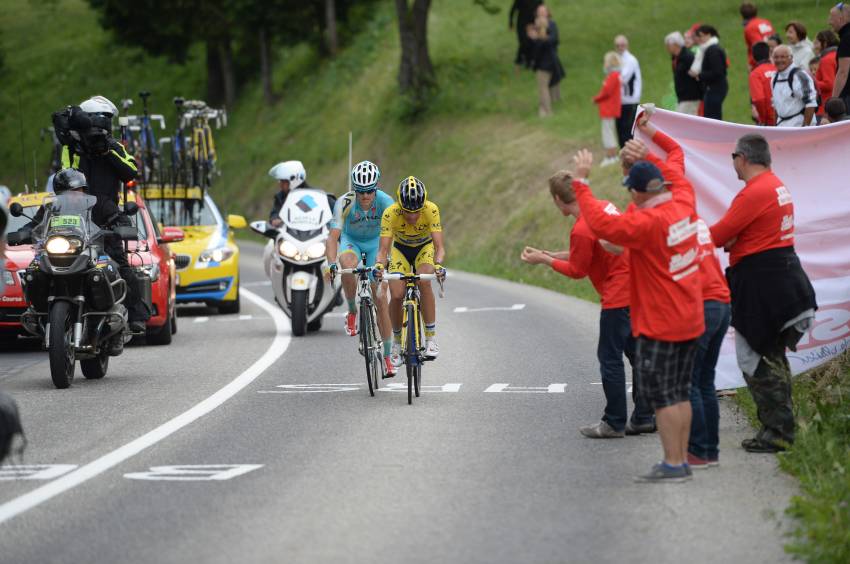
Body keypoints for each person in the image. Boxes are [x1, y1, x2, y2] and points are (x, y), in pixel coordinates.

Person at [570, 148, 704, 483]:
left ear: (638, 192)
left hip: (662, 321)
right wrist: (650, 157)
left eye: (631, 188)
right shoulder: (684, 202)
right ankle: (682, 458)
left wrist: (581, 182)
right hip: (691, 314)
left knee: (664, 396)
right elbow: (678, 177)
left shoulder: (646, 223)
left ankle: (673, 463)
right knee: (680, 391)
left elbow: (600, 223)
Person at [628, 116, 732, 469]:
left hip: (700, 303)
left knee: (685, 385)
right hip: (721, 301)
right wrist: (650, 135)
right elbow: (674, 152)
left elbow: (623, 237)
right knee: (704, 381)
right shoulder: (689, 212)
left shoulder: (667, 224)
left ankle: (691, 453)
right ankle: (707, 451)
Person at [519, 171, 655, 439]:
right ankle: (644, 416)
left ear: (558, 199)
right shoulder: (604, 207)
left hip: (618, 295)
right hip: (639, 287)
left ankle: (614, 421)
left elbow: (578, 270)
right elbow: (591, 252)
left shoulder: (581, 228)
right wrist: (550, 254)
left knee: (610, 358)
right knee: (637, 354)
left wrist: (544, 261)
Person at [709, 135, 817, 453]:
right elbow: (745, 233)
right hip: (780, 278)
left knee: (756, 356)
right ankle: (779, 429)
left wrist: (723, 238)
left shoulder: (754, 193)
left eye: (733, 158)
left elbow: (718, 235)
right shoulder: (775, 185)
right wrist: (737, 240)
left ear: (742, 157)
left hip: (763, 284)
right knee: (771, 355)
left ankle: (778, 431)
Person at [55, 96, 148, 332]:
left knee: (119, 265)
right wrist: (74, 144)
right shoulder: (73, 148)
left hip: (106, 220)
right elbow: (66, 173)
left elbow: (131, 172)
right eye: (102, 118)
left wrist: (106, 150)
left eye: (107, 120)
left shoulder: (115, 146)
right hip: (75, 218)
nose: (104, 124)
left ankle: (135, 314)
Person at [326, 161, 397, 376]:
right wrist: (331, 264)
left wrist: (385, 263)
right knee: (346, 265)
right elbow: (333, 238)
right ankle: (352, 311)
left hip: (377, 242)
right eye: (361, 191)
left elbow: (391, 238)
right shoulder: (344, 203)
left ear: (376, 187)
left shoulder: (386, 202)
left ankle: (387, 357)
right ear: (354, 189)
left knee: (381, 299)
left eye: (369, 191)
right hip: (351, 240)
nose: (365, 196)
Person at [375, 177, 445, 363]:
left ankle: (430, 339)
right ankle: (397, 344)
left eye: (416, 212)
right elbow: (383, 250)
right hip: (400, 250)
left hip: (424, 248)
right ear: (400, 206)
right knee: (397, 294)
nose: (412, 217)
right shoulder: (390, 213)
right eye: (407, 212)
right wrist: (379, 267)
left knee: (424, 280)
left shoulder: (431, 209)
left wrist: (438, 266)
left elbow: (439, 247)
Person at [527, 5, 564, 117]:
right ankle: (545, 109)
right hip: (540, 62)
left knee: (545, 87)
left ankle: (546, 111)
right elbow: (532, 46)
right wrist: (532, 38)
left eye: (544, 12)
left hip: (549, 61)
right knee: (544, 87)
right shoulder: (533, 27)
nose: (542, 14)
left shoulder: (552, 25)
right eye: (540, 12)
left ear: (548, 13)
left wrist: (540, 37)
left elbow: (553, 40)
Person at [771, 45, 817, 127]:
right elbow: (776, 106)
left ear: (791, 58)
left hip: (799, 126)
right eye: (776, 57)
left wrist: (805, 127)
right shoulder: (774, 78)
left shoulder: (799, 75)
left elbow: (811, 103)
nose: (779, 60)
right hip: (782, 126)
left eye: (783, 57)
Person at [691, 25, 728, 120]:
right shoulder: (710, 49)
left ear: (709, 35)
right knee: (711, 115)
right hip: (715, 87)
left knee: (712, 116)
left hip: (715, 87)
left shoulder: (713, 50)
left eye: (701, 36)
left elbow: (717, 72)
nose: (700, 39)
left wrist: (700, 75)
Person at [592, 52, 622, 166]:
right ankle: (612, 155)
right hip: (608, 108)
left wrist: (596, 99)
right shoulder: (614, 75)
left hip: (609, 109)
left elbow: (606, 92)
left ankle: (611, 156)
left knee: (608, 133)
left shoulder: (613, 76)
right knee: (609, 132)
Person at [614, 35, 642, 147]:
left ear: (627, 45)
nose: (620, 47)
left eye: (622, 45)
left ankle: (630, 154)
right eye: (618, 46)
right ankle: (624, 154)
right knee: (620, 129)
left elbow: (623, 78)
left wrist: (611, 80)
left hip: (630, 100)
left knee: (627, 130)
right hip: (620, 101)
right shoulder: (618, 59)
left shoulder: (630, 60)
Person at [665, 31, 701, 115]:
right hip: (682, 97)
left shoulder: (688, 57)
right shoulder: (676, 58)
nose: (667, 48)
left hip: (691, 97)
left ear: (675, 44)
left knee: (683, 121)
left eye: (668, 45)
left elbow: (698, 73)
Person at [749, 42, 777, 125]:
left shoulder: (755, 74)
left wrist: (762, 119)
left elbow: (759, 99)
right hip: (784, 116)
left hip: (769, 120)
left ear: (753, 57)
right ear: (769, 54)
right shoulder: (778, 69)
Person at [740, 2, 775, 69]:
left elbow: (758, 47)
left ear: (742, 15)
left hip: (760, 63)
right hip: (773, 58)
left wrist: (751, 64)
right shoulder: (766, 22)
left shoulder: (750, 27)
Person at [813, 30, 839, 118]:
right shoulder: (838, 55)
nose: (814, 47)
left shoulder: (826, 60)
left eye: (816, 43)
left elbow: (829, 84)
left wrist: (812, 82)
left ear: (824, 43)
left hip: (825, 108)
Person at [829, 2, 850, 110]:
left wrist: (833, 101)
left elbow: (843, 72)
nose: (828, 22)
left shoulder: (846, 38)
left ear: (840, 19)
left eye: (831, 18)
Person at [509, 0, 542, 69]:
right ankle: (521, 61)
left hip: (533, 24)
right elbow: (513, 10)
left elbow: (541, 9)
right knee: (524, 42)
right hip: (521, 24)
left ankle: (530, 62)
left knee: (532, 42)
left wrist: (542, 21)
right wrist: (511, 23)